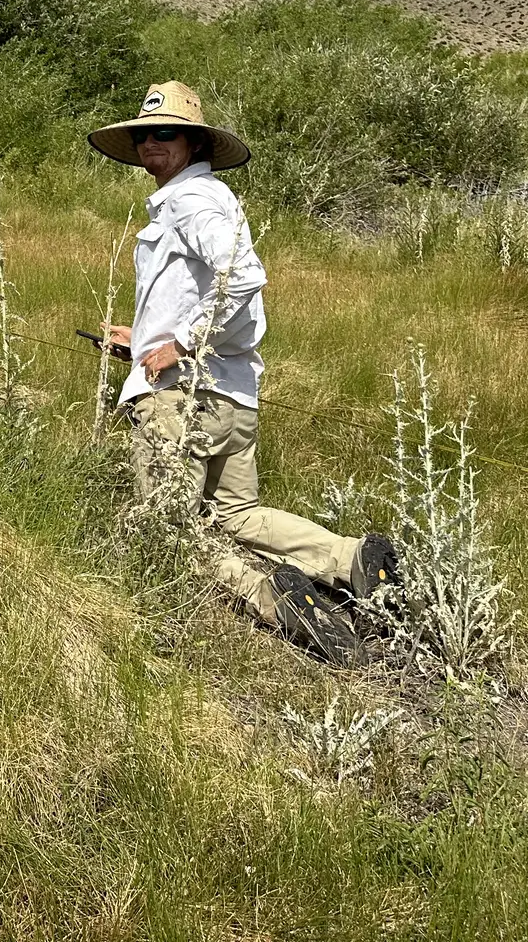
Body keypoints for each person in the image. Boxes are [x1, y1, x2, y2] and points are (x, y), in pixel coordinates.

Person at [91, 81, 399, 667]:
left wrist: (179, 345)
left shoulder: (189, 201)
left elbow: (242, 275)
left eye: (166, 132)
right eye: (144, 133)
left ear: (192, 141)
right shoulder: (212, 197)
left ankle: (275, 600)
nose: (152, 143)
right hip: (232, 391)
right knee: (236, 514)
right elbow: (208, 291)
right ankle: (351, 559)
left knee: (168, 530)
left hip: (182, 396)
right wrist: (147, 338)